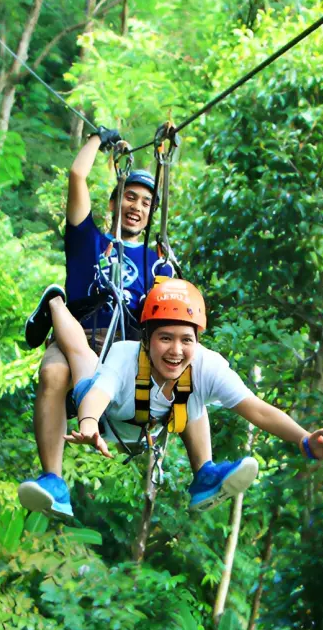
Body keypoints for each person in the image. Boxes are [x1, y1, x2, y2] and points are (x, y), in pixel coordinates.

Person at [17, 278, 323, 517]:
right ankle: (55, 302)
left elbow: (257, 410)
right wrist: (89, 423)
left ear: (197, 341)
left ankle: (205, 474)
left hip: (149, 425)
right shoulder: (125, 356)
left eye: (186, 340)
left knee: (192, 393)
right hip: (107, 417)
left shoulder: (205, 364)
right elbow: (98, 396)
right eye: (165, 338)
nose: (176, 350)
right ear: (146, 339)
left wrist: (305, 441)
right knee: (80, 354)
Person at [20, 129, 215, 514]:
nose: (136, 207)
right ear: (114, 202)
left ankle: (205, 472)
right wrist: (98, 140)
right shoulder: (87, 241)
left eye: (145, 202)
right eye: (129, 197)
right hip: (81, 332)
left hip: (127, 347)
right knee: (52, 373)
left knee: (186, 372)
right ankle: (53, 480)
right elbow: (77, 176)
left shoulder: (156, 262)